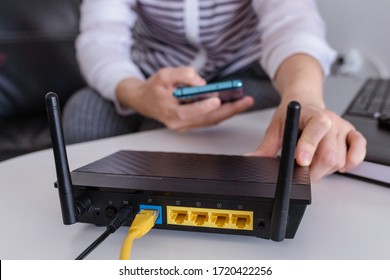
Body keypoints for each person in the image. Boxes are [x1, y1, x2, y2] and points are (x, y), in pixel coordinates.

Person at [63, 0, 366, 182]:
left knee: (258, 121)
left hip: (242, 75)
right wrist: (138, 94)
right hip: (151, 73)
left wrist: (305, 98)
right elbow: (100, 40)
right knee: (83, 112)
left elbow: (293, 26)